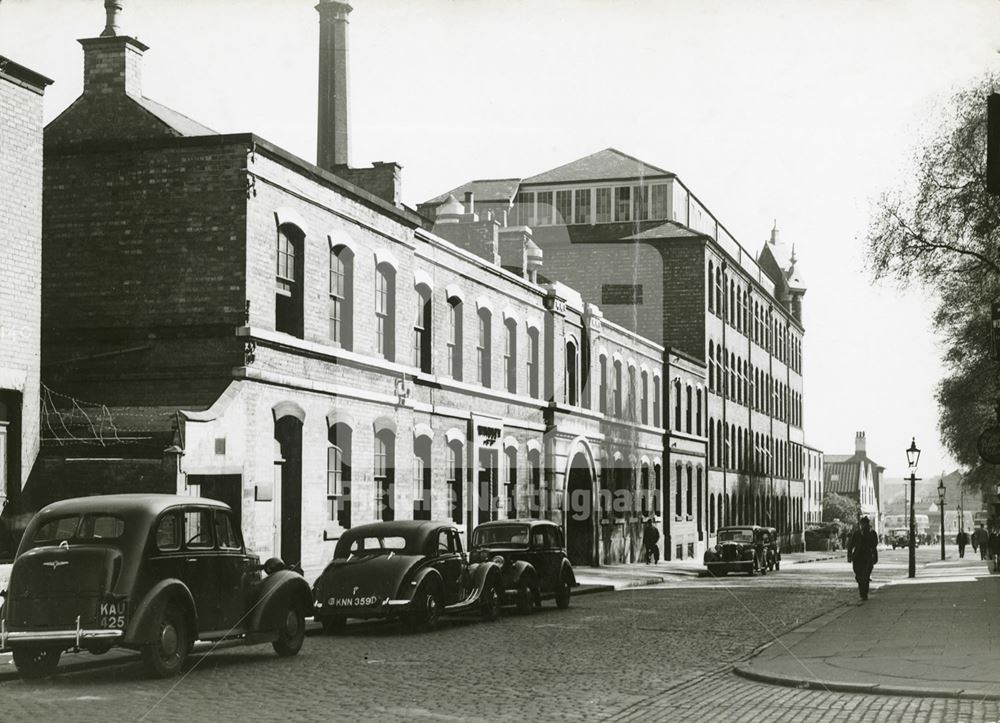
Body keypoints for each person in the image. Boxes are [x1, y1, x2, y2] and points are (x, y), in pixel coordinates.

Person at [847, 516, 879, 600]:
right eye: (862, 524)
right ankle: (862, 590)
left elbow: (874, 546)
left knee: (865, 575)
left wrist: (875, 557)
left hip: (867, 557)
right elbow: (851, 545)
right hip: (857, 557)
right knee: (858, 576)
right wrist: (849, 556)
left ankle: (864, 593)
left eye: (865, 524)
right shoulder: (856, 534)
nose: (863, 526)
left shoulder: (872, 533)